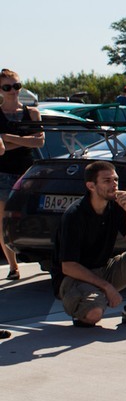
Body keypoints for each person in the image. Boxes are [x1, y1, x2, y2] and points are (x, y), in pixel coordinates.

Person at [52, 160, 126, 327]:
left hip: (103, 270)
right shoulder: (75, 215)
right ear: (91, 186)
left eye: (115, 180)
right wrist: (107, 287)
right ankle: (85, 304)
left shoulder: (115, 206)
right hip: (73, 278)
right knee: (93, 315)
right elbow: (68, 266)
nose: (114, 185)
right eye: (107, 181)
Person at [1, 69, 43, 279]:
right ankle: (13, 266)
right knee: (3, 223)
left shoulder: (32, 113)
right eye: (7, 87)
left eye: (16, 86)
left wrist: (8, 138)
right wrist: (25, 139)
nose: (13, 91)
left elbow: (39, 141)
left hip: (28, 172)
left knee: (35, 217)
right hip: (3, 173)